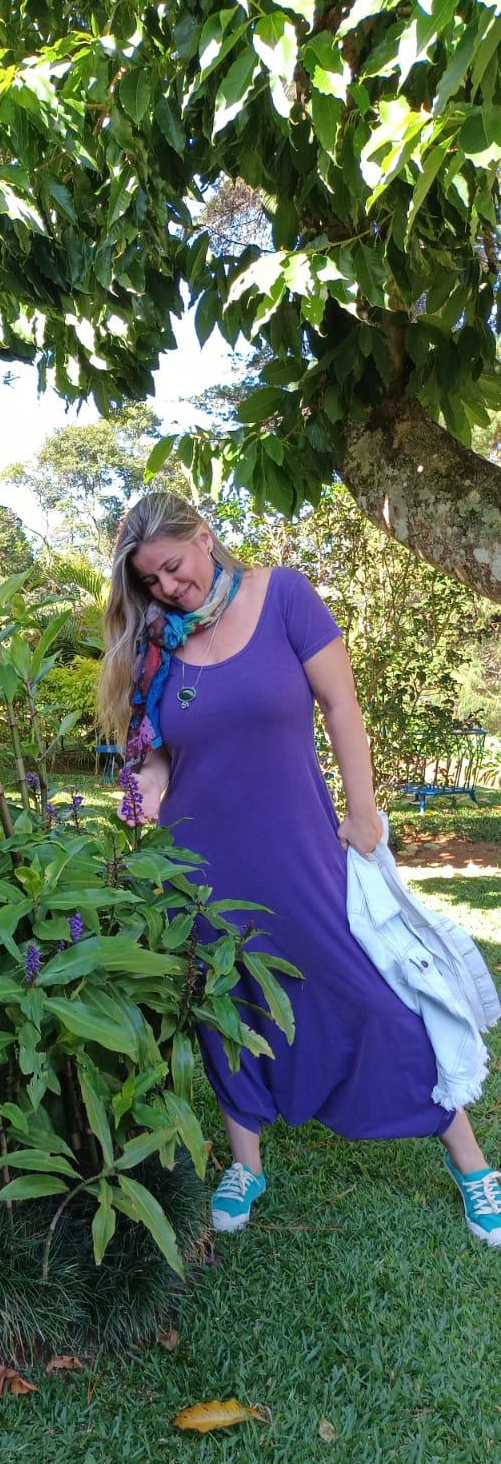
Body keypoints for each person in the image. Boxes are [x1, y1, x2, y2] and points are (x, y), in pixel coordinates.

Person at [97, 491, 500, 1246]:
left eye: (174, 569)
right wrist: (143, 794)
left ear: (204, 536)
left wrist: (364, 810)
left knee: (373, 990)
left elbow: (343, 708)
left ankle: (471, 1161)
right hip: (202, 866)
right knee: (229, 1002)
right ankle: (246, 1160)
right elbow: (154, 756)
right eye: (153, 581)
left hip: (301, 850)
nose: (169, 589)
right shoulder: (158, 644)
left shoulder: (281, 595)